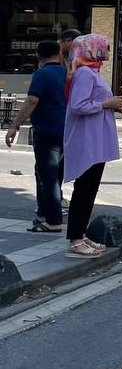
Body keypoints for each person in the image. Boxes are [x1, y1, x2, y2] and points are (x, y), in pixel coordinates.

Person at [63, 34, 122, 258]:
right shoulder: (84, 74)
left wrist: (110, 106)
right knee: (84, 188)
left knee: (90, 188)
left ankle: (81, 234)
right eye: (105, 46)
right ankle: (75, 239)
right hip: (86, 139)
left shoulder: (92, 72)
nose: (109, 49)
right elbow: (78, 105)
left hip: (96, 138)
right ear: (93, 49)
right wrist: (107, 103)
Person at [6, 41, 69, 232]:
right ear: (59, 54)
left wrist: (14, 125)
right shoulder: (68, 74)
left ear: (38, 55)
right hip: (66, 130)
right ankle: (44, 213)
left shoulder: (41, 74)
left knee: (47, 174)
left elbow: (32, 100)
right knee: (53, 173)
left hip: (47, 130)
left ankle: (53, 220)